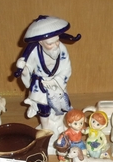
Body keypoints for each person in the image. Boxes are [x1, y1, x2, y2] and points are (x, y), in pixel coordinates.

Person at [15, 15, 80, 146]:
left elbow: (66, 67)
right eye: (50, 43)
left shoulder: (61, 48)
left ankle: (62, 124)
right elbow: (28, 68)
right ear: (41, 42)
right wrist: (24, 70)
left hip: (57, 83)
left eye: (57, 41)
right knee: (43, 108)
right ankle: (46, 130)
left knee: (63, 104)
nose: (55, 45)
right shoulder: (34, 52)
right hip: (41, 85)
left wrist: (58, 81)